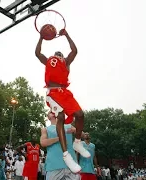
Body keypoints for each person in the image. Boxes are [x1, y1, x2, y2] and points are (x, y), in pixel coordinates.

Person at [35, 28, 90, 173]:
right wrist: (41, 38)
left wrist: (67, 35)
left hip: (64, 93)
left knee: (80, 115)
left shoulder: (65, 63)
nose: (58, 55)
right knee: (60, 116)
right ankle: (66, 155)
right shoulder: (49, 61)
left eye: (60, 54)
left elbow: (74, 51)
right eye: (56, 54)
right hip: (53, 92)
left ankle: (77, 143)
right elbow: (37, 54)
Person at [40, 111, 81, 180]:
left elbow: (83, 135)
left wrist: (75, 130)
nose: (52, 111)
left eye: (54, 111)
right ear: (48, 117)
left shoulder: (68, 126)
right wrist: (60, 138)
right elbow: (43, 142)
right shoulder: (46, 129)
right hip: (54, 165)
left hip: (71, 165)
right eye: (50, 112)